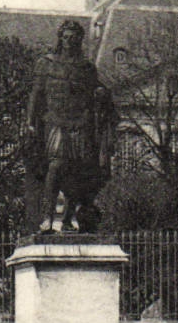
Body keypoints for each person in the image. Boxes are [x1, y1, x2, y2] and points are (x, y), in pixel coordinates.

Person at [23, 19, 116, 234]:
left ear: (80, 40)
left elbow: (96, 92)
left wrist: (101, 94)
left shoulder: (86, 68)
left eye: (74, 38)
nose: (69, 41)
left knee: (78, 172)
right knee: (56, 166)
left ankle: (67, 219)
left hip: (81, 123)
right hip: (55, 121)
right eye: (65, 37)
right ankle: (47, 218)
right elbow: (36, 96)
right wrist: (29, 123)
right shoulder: (46, 63)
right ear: (60, 38)